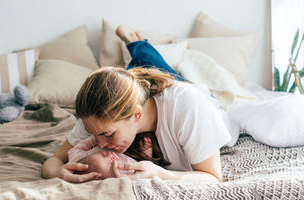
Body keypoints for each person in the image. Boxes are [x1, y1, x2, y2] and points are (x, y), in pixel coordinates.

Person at [41, 25, 231, 183]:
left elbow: (212, 177)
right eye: (95, 135)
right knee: (135, 75)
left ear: (136, 115)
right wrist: (56, 172)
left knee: (168, 74)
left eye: (108, 135)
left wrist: (160, 174)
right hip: (145, 90)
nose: (100, 144)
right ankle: (135, 47)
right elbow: (55, 160)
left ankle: (136, 43)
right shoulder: (97, 117)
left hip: (208, 100)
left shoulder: (188, 106)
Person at [68, 132, 169, 180]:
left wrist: (100, 137)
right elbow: (139, 169)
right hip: (134, 154)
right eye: (109, 163)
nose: (107, 153)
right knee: (144, 148)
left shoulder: (75, 158)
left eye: (102, 155)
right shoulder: (119, 172)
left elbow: (83, 145)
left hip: (107, 137)